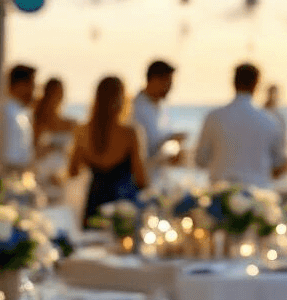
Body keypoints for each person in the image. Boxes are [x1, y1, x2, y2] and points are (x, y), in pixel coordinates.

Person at [68, 76, 148, 226]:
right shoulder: (130, 133)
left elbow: (73, 171)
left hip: (94, 202)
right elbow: (141, 179)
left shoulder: (82, 131)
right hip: (124, 205)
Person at [194, 63, 286, 188]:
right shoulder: (270, 121)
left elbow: (200, 160)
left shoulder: (214, 117)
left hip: (220, 196)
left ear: (233, 82)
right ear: (256, 85)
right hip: (259, 197)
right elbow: (279, 165)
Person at [132, 60, 186, 167]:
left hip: (160, 177)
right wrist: (169, 142)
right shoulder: (135, 109)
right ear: (154, 80)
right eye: (168, 82)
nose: (170, 88)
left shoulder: (162, 107)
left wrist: (173, 144)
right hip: (143, 178)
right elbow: (141, 151)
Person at [0, 63, 36, 170]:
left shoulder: (12, 112)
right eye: (32, 85)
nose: (34, 92)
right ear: (20, 85)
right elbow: (10, 160)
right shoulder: (9, 114)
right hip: (8, 182)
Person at [33, 77, 77, 195]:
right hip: (40, 178)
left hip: (62, 178)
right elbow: (32, 154)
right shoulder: (36, 123)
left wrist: (65, 176)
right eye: (54, 94)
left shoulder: (71, 124)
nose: (58, 98)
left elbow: (76, 158)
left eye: (60, 94)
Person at [263, 83, 287, 148]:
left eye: (275, 94)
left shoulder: (279, 116)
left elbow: (283, 140)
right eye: (271, 94)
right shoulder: (261, 114)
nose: (273, 96)